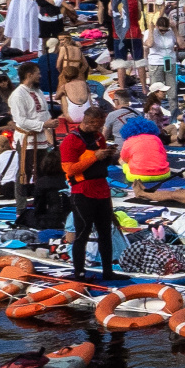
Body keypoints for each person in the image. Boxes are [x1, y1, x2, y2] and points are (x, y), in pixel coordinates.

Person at [61, 105, 119, 282]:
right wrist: (96, 156)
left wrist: (108, 154)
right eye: (99, 124)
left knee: (105, 233)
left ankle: (108, 271)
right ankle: (79, 273)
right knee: (82, 234)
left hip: (102, 189)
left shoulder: (99, 137)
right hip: (82, 192)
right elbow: (69, 169)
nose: (101, 128)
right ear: (90, 122)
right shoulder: (70, 141)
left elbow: (100, 160)